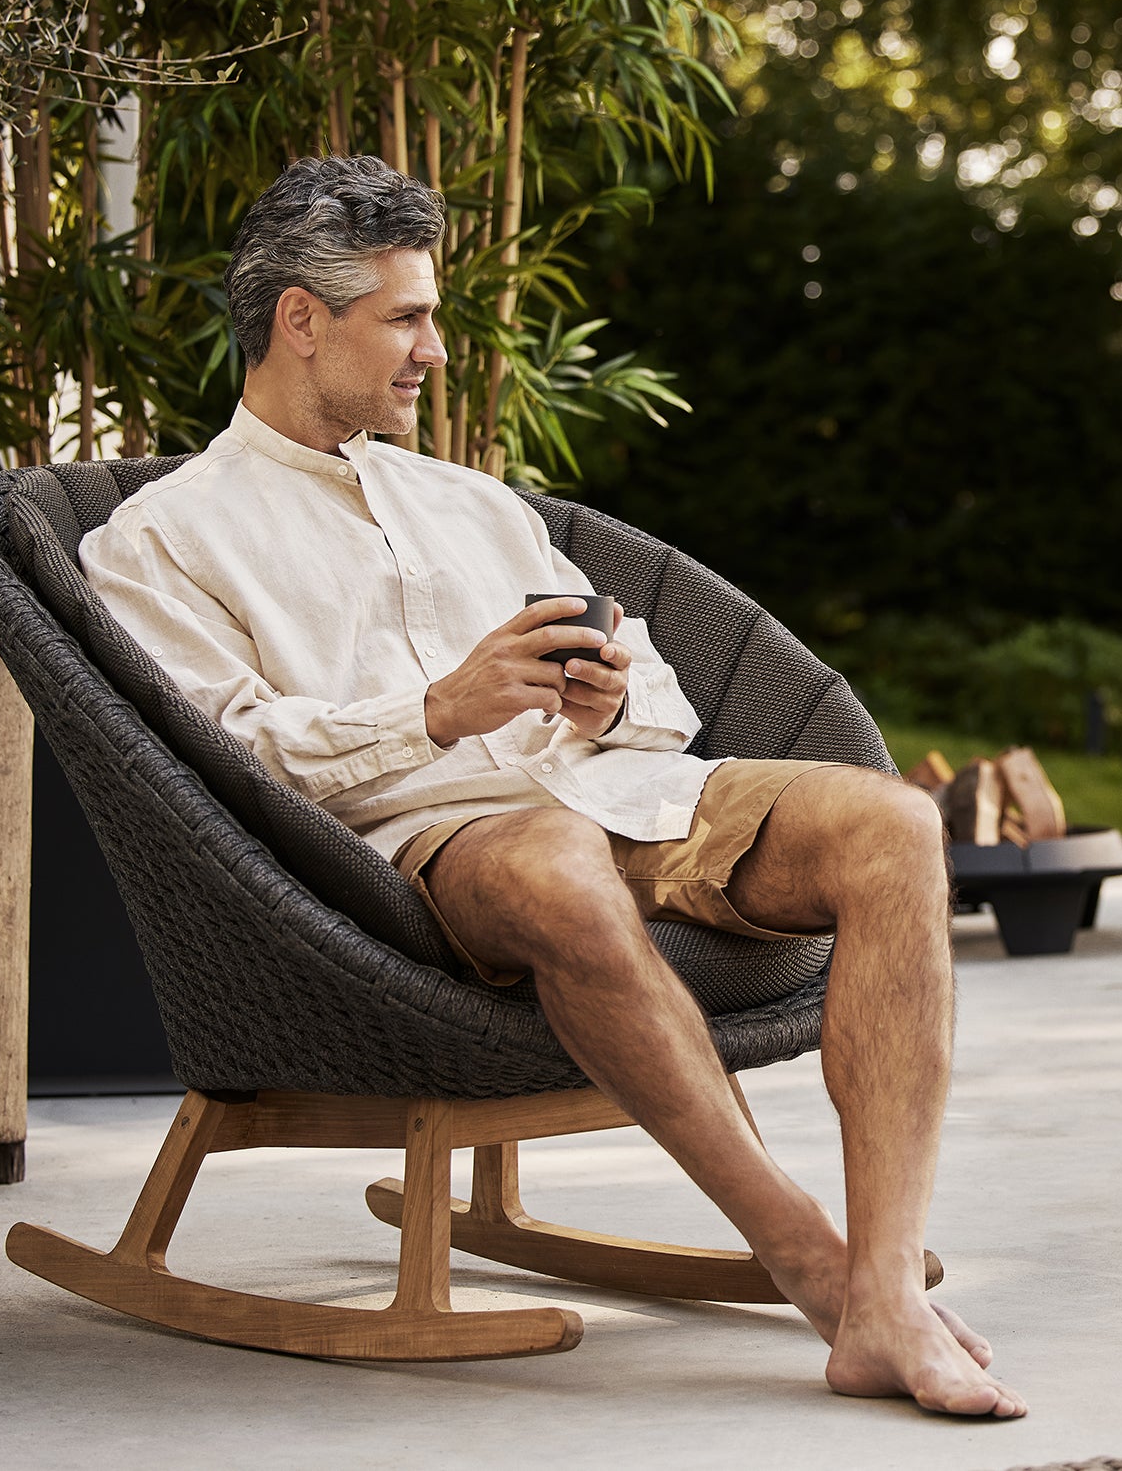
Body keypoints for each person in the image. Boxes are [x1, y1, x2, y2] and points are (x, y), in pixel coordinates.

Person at [80, 155, 1026, 1419]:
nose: (436, 348)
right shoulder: (160, 536)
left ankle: (888, 1288)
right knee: (554, 859)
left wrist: (608, 697)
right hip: (428, 847)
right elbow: (228, 755)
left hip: (618, 792)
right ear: (301, 322)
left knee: (895, 824)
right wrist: (435, 711)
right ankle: (818, 1266)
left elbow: (667, 698)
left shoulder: (473, 504)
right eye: (406, 317)